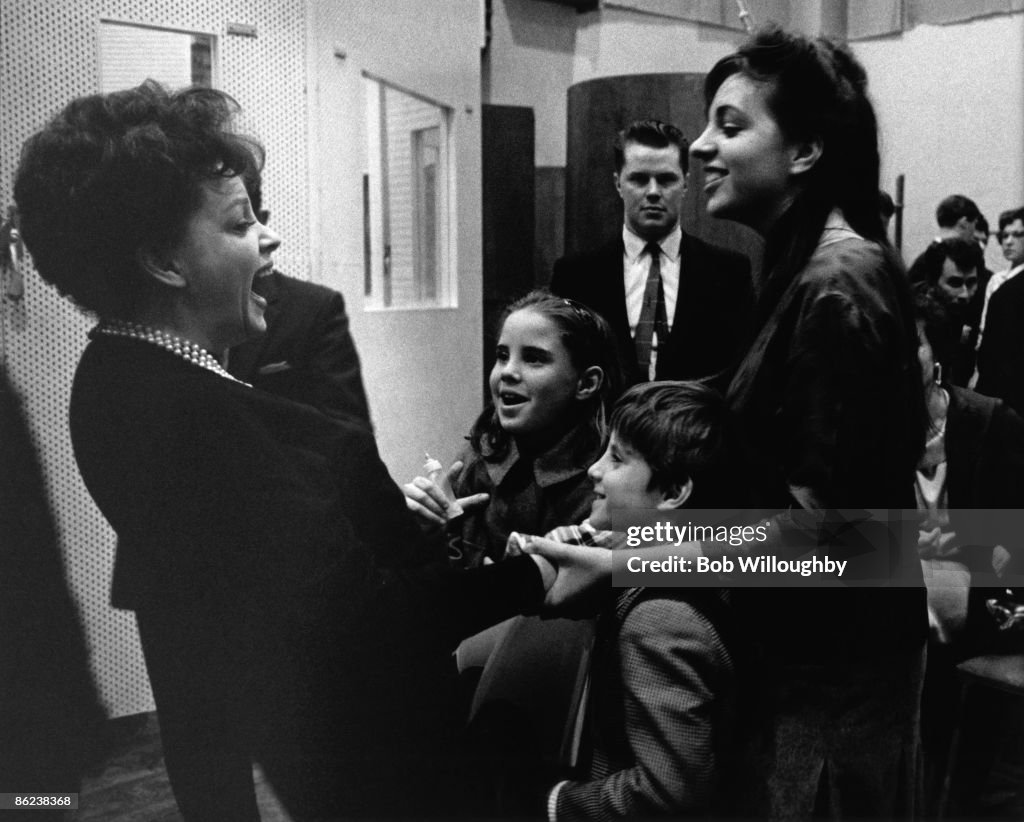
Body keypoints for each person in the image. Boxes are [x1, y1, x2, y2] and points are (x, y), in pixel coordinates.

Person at [13, 80, 557, 821]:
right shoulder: (180, 412)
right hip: (369, 758)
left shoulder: (123, 376)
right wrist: (540, 571)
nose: (267, 239)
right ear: (164, 263)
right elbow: (369, 618)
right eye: (239, 225)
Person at [532, 25, 929, 819]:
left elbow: (843, 543)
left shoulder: (835, 284)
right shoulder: (801, 264)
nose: (704, 147)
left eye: (731, 124)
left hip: (826, 706)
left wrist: (630, 556)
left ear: (808, 151)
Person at [544, 381, 745, 821]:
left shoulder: (660, 618)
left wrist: (560, 803)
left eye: (617, 458)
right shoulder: (703, 561)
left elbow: (668, 788)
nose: (595, 470)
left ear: (673, 493)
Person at [403, 290, 623, 568]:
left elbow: (688, 561)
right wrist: (428, 532)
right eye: (502, 356)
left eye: (534, 358)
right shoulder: (480, 455)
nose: (507, 371)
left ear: (586, 383)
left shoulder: (616, 471)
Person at [549, 120, 753, 387]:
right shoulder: (576, 276)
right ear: (618, 183)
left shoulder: (729, 272)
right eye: (639, 179)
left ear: (686, 184)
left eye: (666, 179)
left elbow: (743, 372)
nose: (653, 192)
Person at [226, 167, 371, 425]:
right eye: (238, 225)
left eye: (251, 222)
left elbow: (350, 439)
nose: (272, 240)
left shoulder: (314, 309)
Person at [910, 237, 982, 385]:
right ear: (932, 281)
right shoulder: (915, 314)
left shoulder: (957, 307)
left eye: (971, 283)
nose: (965, 294)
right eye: (955, 283)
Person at [907, 194, 981, 285]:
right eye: (974, 223)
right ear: (964, 223)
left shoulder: (922, 260)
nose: (974, 231)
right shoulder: (964, 256)